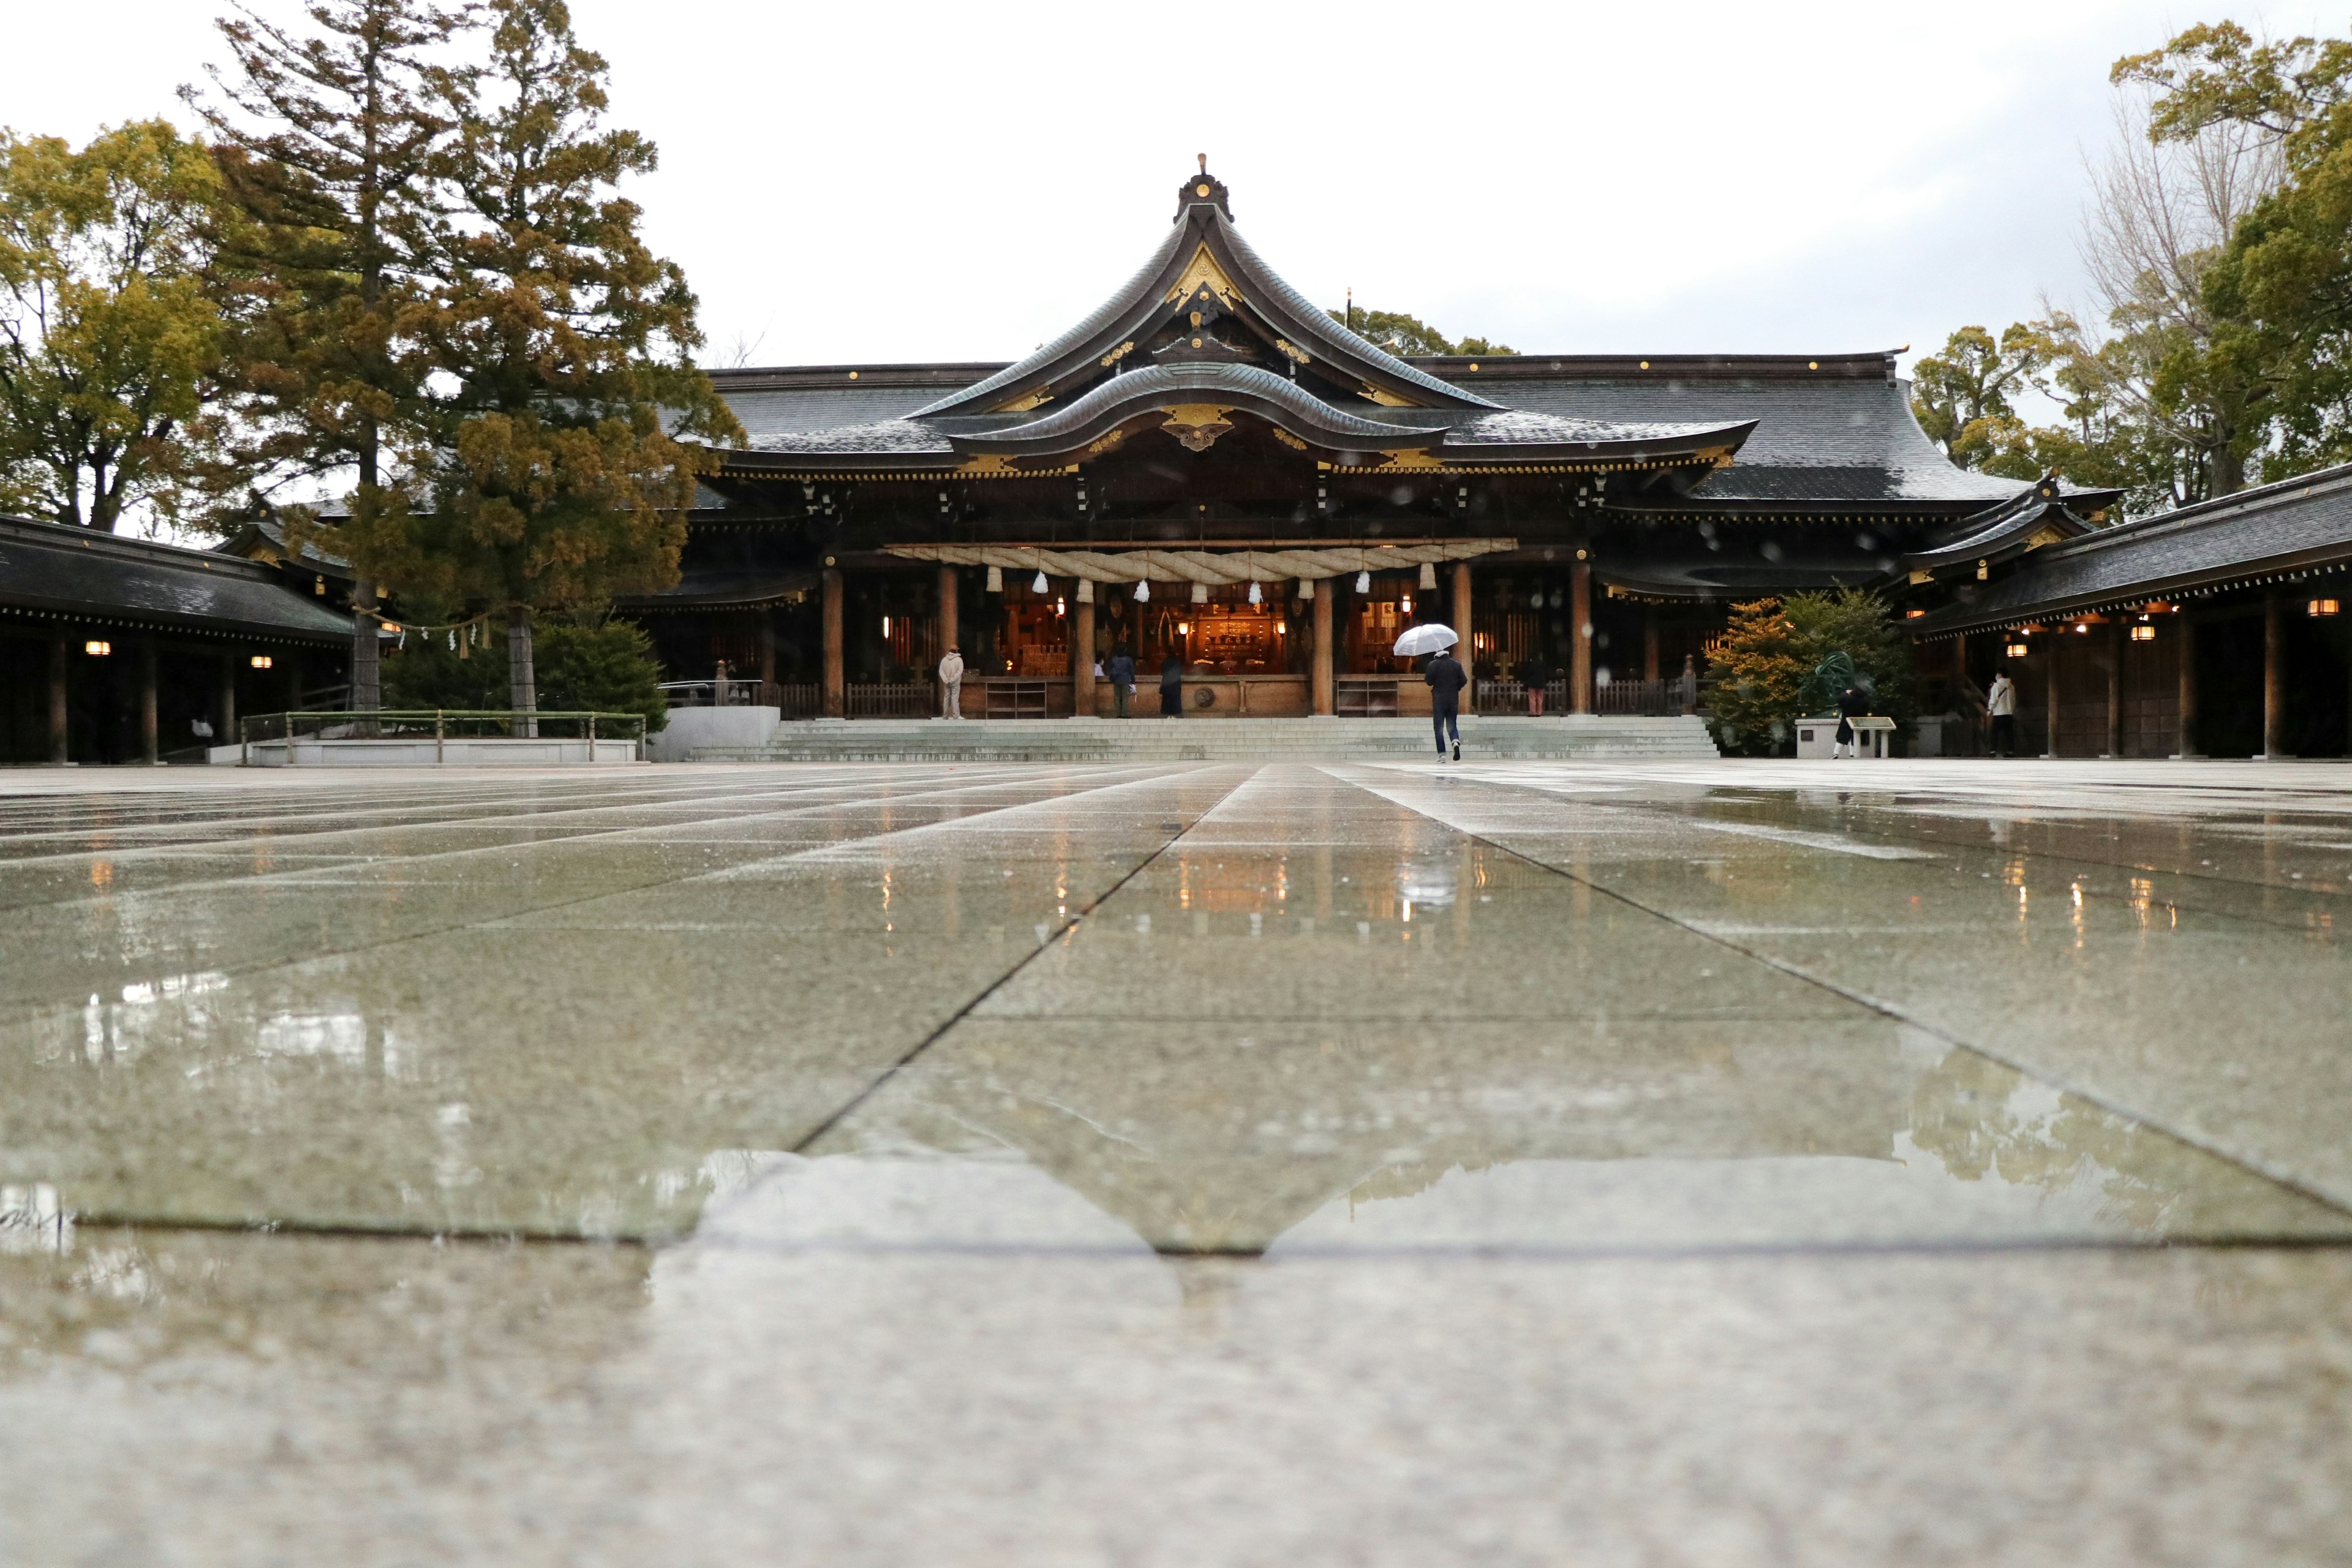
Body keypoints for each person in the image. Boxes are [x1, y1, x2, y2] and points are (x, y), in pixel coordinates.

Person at [1425, 644, 1468, 761]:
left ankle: (1442, 754)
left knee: (1438, 727)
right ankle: (1455, 742)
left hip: (1439, 699)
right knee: (1452, 725)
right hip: (1453, 698)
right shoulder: (1456, 664)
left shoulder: (1433, 665)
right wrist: (1456, 688)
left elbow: (1429, 682)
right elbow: (1464, 680)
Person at [1987, 670, 2017, 756]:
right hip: (2008, 713)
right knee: (2009, 734)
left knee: (1994, 733)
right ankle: (2010, 751)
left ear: (2000, 675)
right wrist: (2011, 710)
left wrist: (1990, 709)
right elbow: (2013, 700)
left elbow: (1994, 699)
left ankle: (1993, 751)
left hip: (1999, 713)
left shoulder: (1996, 686)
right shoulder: (2011, 686)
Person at [1834, 682, 1869, 759]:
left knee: (1841, 738)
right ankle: (1852, 754)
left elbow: (1839, 700)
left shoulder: (1848, 699)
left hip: (1846, 721)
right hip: (1858, 721)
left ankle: (1836, 753)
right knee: (1855, 738)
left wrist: (1846, 693)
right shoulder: (1864, 701)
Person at [1517, 652, 1550, 716]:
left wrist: (1526, 681)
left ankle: (1533, 712)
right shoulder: (1543, 665)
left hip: (1532, 683)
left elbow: (1527, 674)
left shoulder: (1530, 665)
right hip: (1541, 683)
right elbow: (1547, 674)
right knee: (1540, 698)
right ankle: (1539, 712)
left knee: (1532, 698)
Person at [1107, 644, 1136, 718]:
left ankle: (1118, 714)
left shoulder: (1114, 659)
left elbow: (1110, 669)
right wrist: (1133, 682)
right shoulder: (1128, 660)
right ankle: (1124, 714)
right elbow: (1132, 671)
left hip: (1116, 680)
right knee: (1125, 697)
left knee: (1117, 697)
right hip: (1125, 680)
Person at [937, 645, 964, 719]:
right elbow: (960, 671)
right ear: (956, 651)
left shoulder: (944, 660)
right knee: (955, 698)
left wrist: (946, 679)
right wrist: (953, 679)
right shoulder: (959, 660)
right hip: (955, 682)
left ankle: (945, 715)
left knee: (946, 698)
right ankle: (956, 715)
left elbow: (941, 671)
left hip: (946, 682)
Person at [1159, 650, 1184, 717]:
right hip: (1175, 684)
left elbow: (1163, 670)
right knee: (1175, 700)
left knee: (1167, 701)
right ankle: (1175, 714)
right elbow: (1180, 671)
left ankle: (1167, 714)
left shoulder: (1166, 662)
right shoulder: (1177, 662)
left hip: (1167, 684)